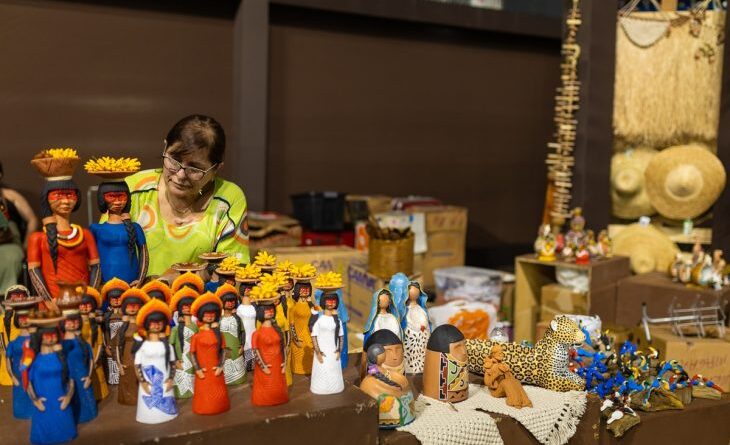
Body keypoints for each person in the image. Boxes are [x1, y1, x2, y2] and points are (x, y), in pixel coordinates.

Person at [118, 115, 250, 276]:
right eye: (174, 160)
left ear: (215, 169)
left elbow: (232, 269)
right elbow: (107, 252)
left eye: (194, 169)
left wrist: (174, 281)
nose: (180, 175)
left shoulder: (229, 199)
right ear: (165, 147)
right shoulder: (133, 189)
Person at [0, 161, 38, 293]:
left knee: (9, 257)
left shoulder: (10, 196)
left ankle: (6, 296)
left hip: (9, 243)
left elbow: (32, 219)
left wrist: (26, 244)